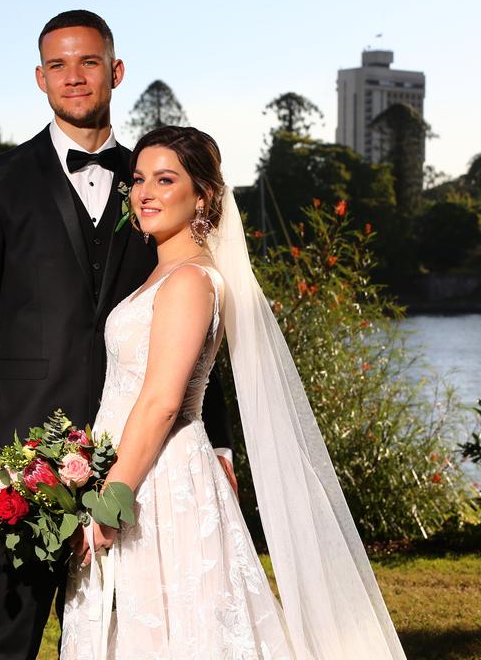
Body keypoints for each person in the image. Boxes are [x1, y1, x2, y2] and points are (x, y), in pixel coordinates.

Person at [0, 10, 236, 660]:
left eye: (89, 61)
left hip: (139, 452)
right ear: (40, 78)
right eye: (58, 64)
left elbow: (189, 333)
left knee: (126, 626)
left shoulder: (155, 181)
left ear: (115, 71)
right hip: (27, 453)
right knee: (9, 630)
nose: (74, 76)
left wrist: (218, 444)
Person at [61, 126, 407, 660]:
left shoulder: (189, 282)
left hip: (159, 483)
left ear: (202, 195)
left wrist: (109, 503)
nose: (144, 193)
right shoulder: (164, 274)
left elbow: (162, 401)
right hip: (132, 469)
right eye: (138, 180)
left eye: (165, 179)